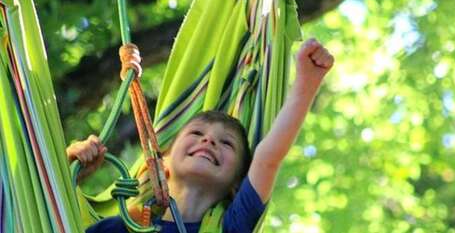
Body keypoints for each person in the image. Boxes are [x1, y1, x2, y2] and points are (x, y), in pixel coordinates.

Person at [67, 38, 334, 233]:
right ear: (162, 165)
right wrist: (72, 168)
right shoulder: (123, 228)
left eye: (226, 143)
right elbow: (55, 220)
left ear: (236, 184)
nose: (209, 141)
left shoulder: (232, 227)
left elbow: (267, 158)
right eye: (196, 133)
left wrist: (306, 84)